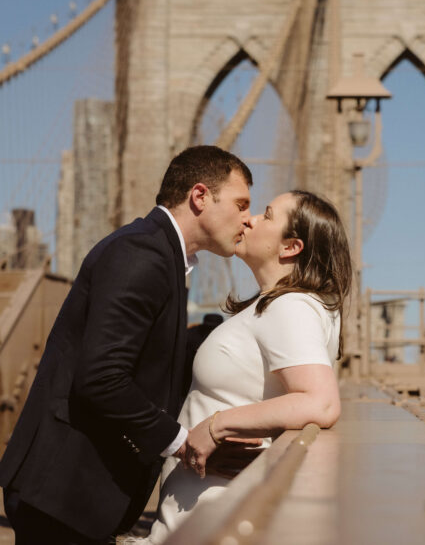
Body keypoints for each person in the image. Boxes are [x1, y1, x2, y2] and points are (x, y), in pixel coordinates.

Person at [0, 146, 252, 544]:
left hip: (77, 495)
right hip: (62, 492)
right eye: (241, 204)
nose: (247, 219)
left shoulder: (163, 255)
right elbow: (101, 376)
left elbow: (141, 356)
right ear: (200, 196)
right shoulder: (143, 253)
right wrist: (180, 442)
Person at [145, 189, 350, 543]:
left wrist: (215, 427)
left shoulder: (291, 307)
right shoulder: (285, 305)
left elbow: (322, 402)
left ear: (290, 247)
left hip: (211, 518)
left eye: (267, 215)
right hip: (207, 510)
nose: (250, 219)